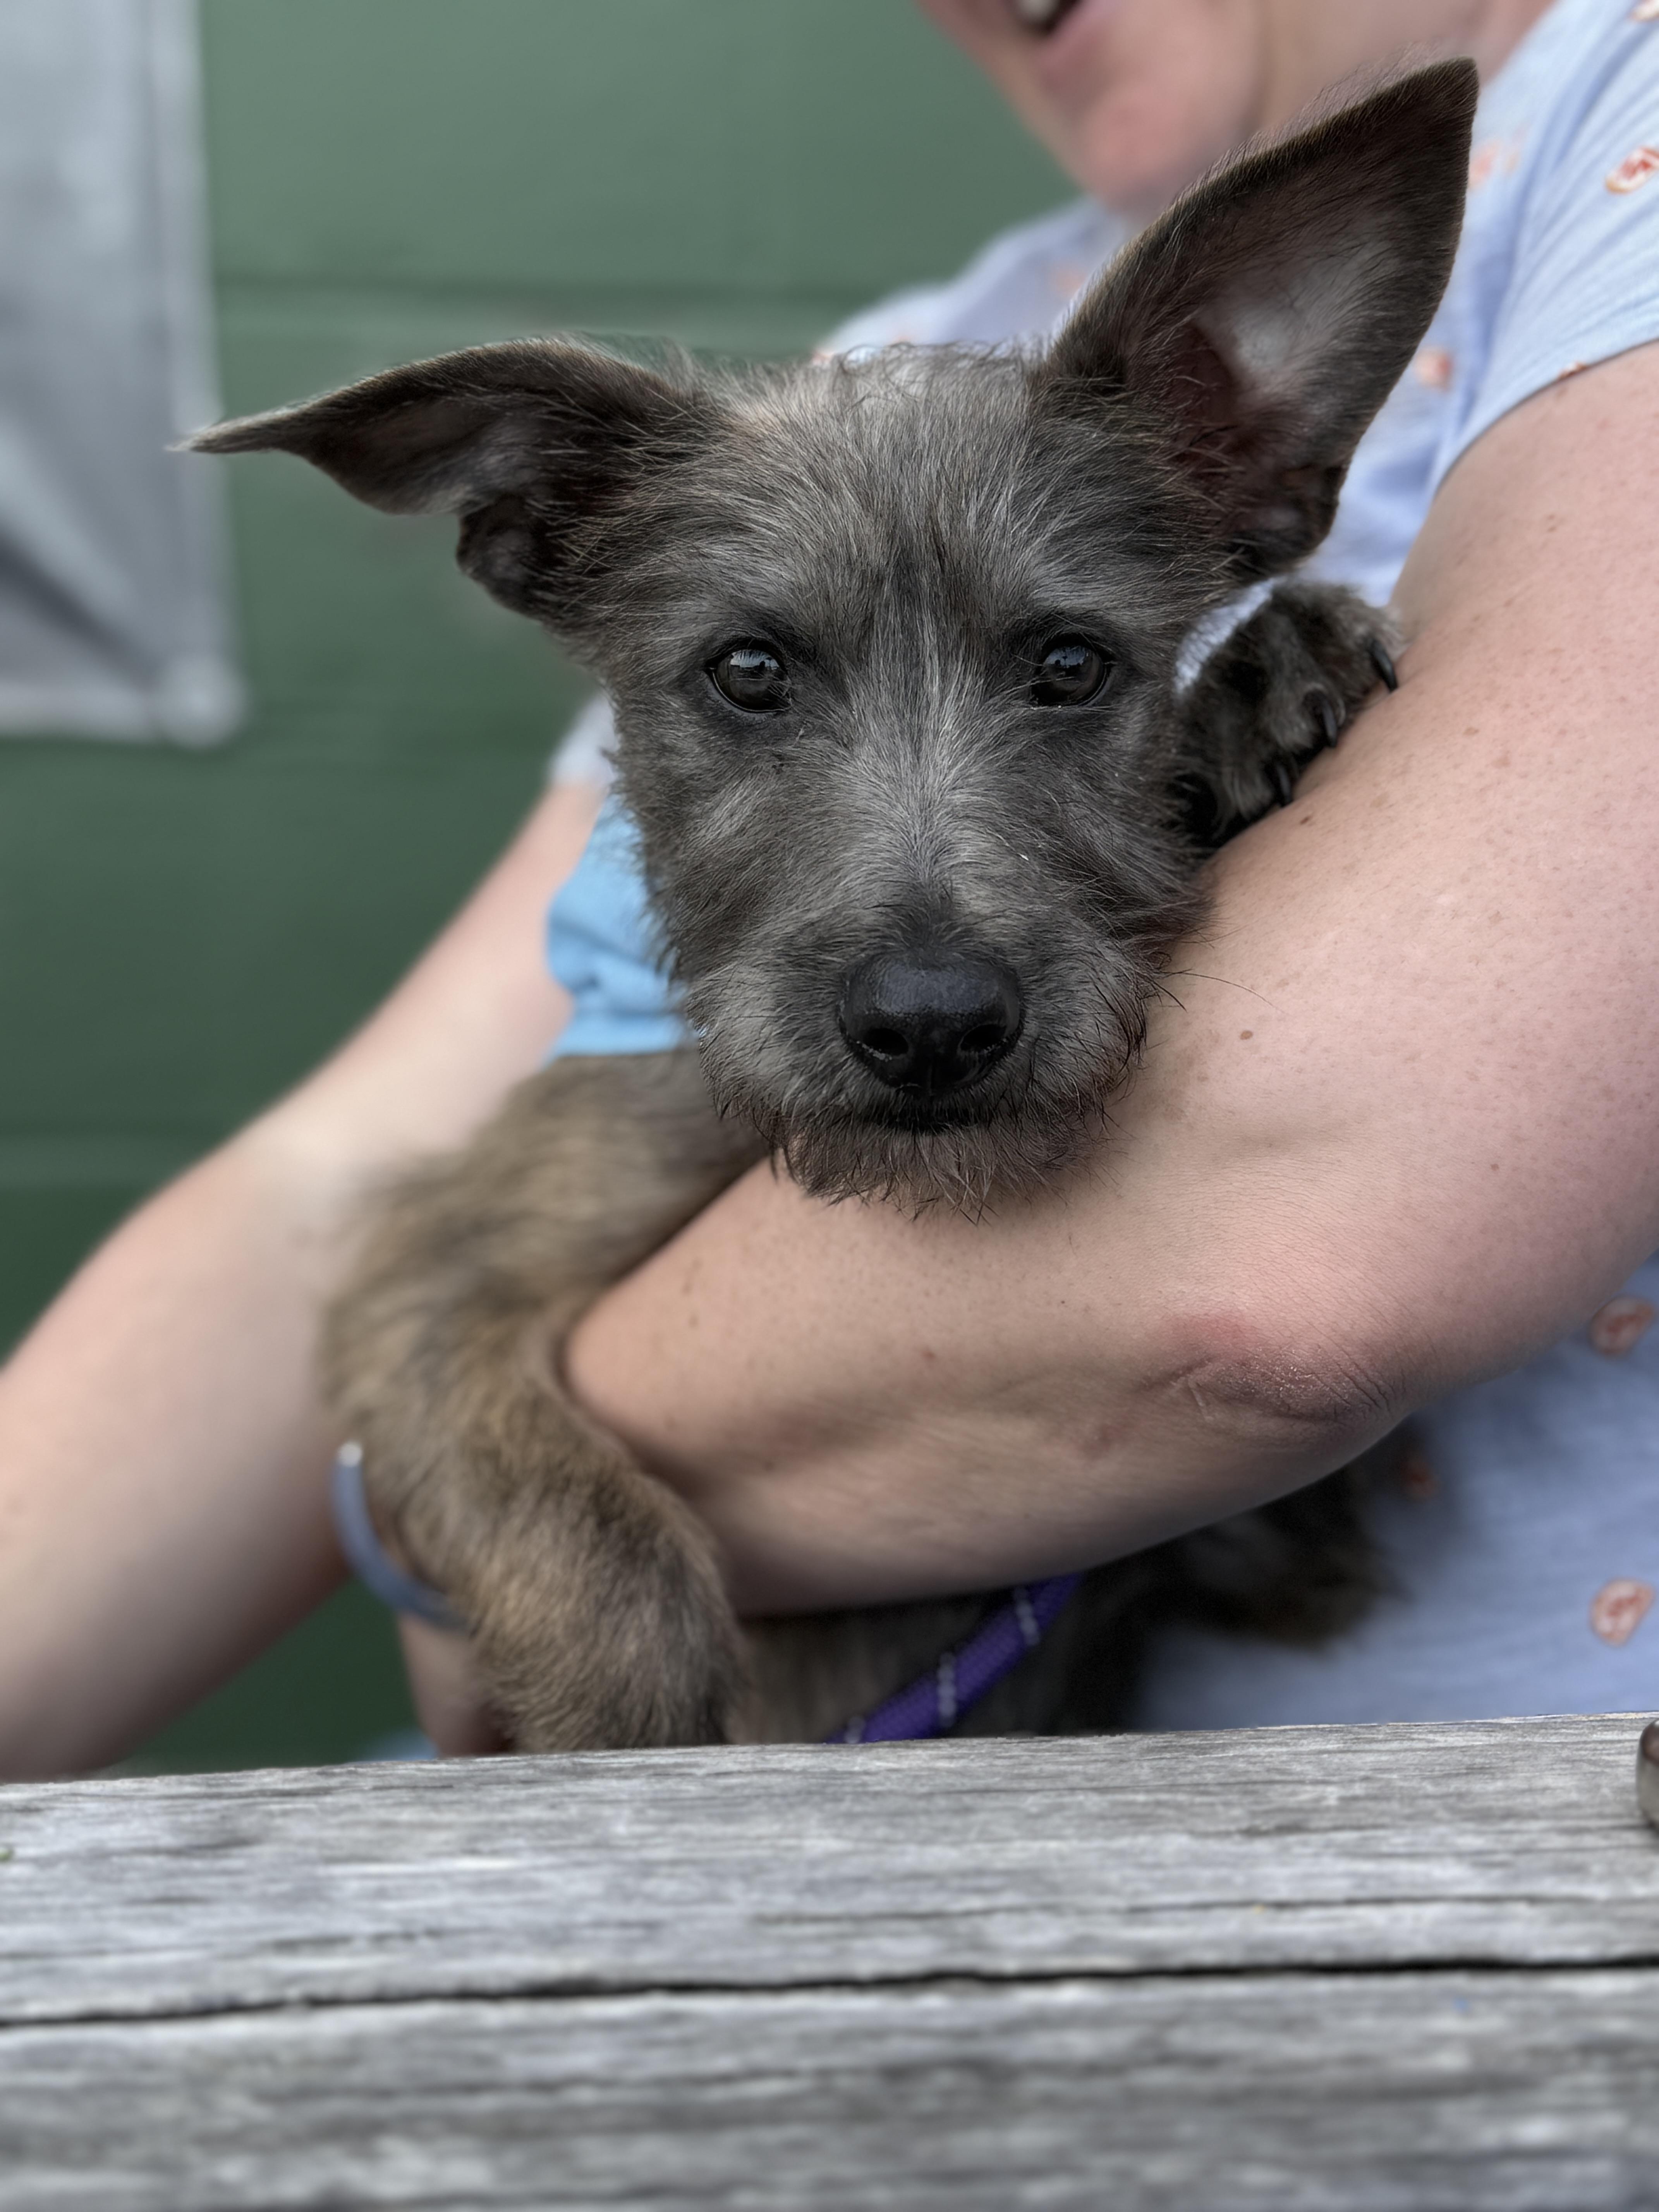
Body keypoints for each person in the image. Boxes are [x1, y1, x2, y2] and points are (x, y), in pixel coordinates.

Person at [3, 0, 1658, 1776]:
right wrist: (502, 1541)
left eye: (1074, 676)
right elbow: (346, 1208)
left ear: (1261, 465)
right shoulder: (882, 371)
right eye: (751, 684)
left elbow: (1293, 1289)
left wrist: (478, 1501)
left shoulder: (1596, 138)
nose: (927, 957)